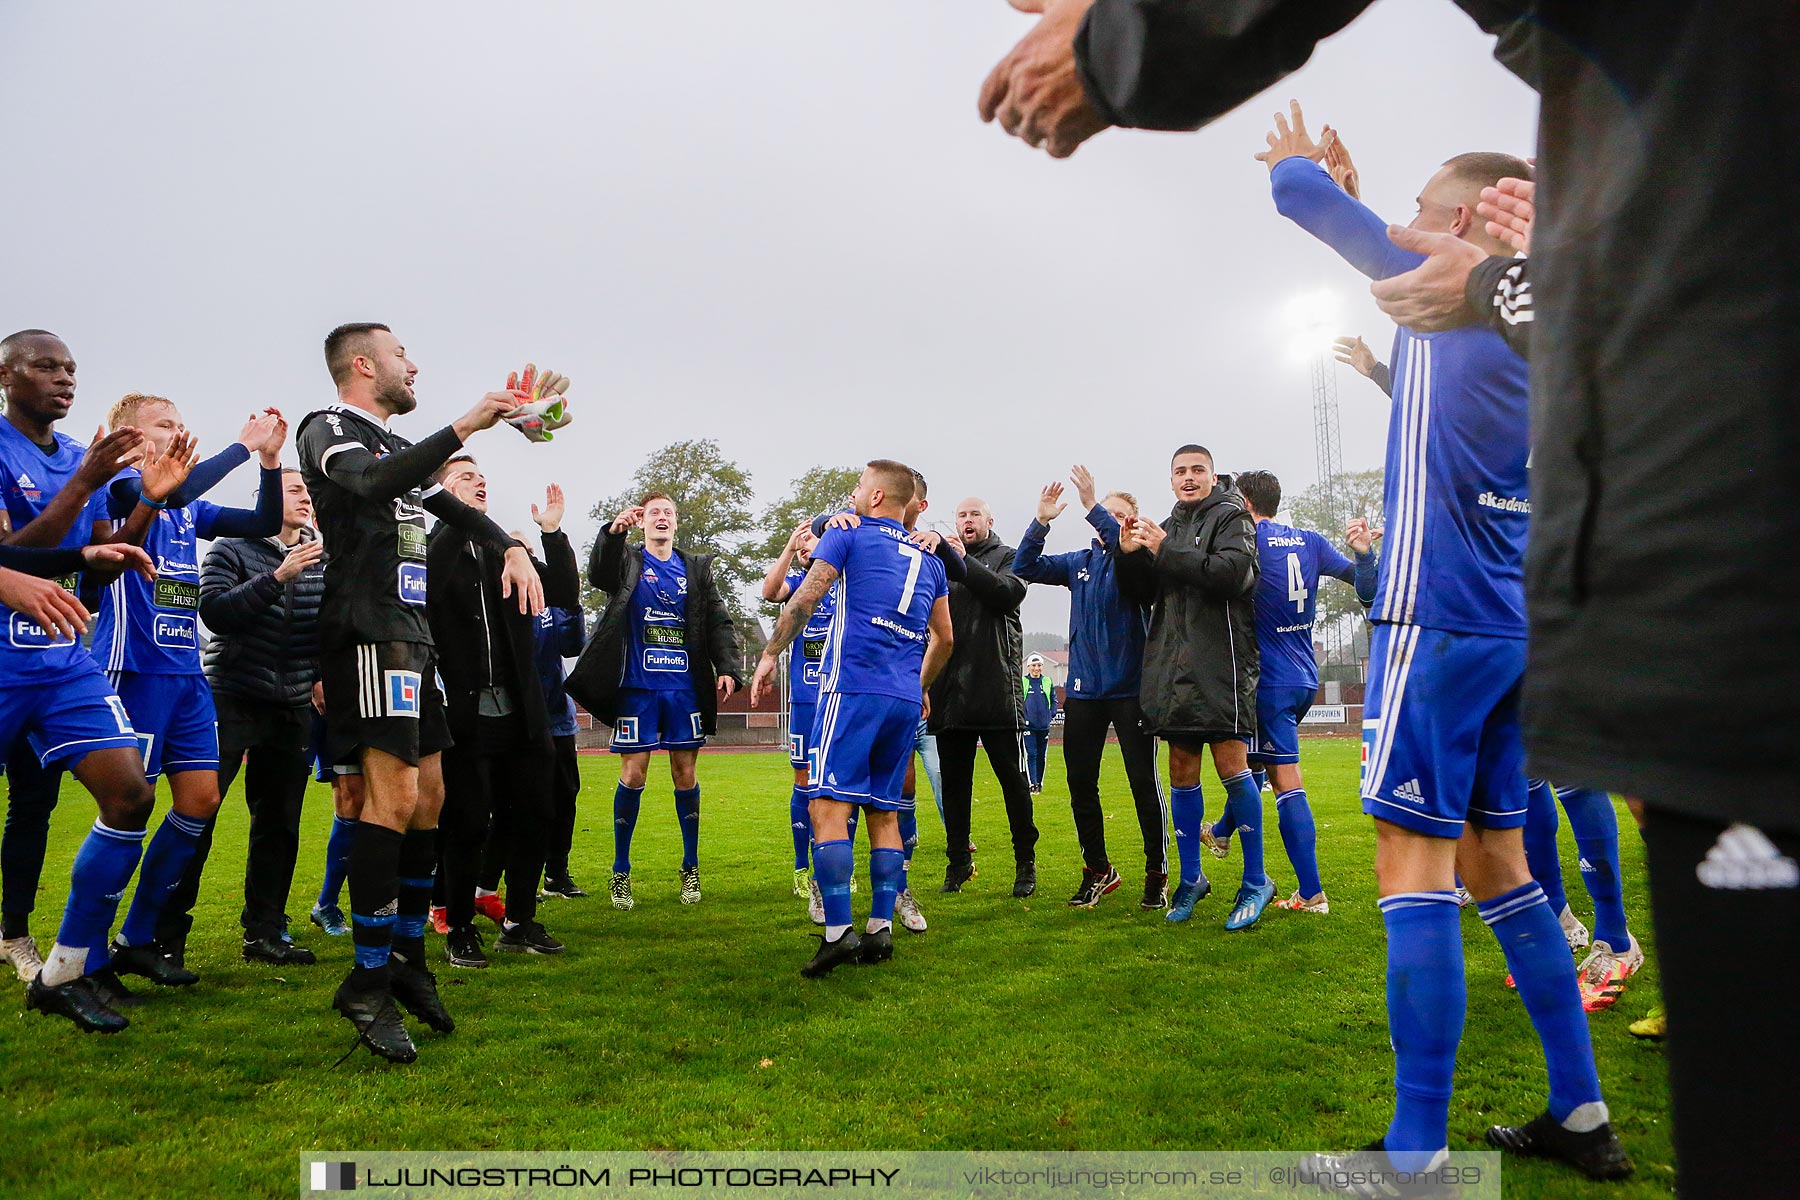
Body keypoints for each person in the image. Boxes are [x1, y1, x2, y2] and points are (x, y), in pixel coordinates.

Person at [1249, 108, 1626, 1179]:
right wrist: (1371, 195)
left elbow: (1301, 202)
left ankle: (1414, 1156)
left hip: (1435, 619)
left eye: (1423, 211)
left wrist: (1292, 166)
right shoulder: (1525, 326)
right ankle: (1582, 1114)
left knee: (1412, 866)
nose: (1408, 227)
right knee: (1503, 865)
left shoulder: (1456, 291)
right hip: (1514, 627)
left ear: (1461, 219)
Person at [296, 321, 542, 1064]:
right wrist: (467, 419)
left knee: (430, 795)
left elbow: (453, 508)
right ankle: (367, 981)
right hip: (365, 634)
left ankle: (408, 960)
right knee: (392, 800)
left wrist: (514, 545)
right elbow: (369, 485)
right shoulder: (328, 428)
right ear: (365, 365)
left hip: (414, 638)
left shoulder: (401, 449)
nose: (414, 365)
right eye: (402, 355)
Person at [0, 328, 200, 1031]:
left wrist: (145, 502)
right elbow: (13, 552)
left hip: (58, 660)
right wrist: (85, 490)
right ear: (6, 374)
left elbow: (97, 567)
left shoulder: (80, 461)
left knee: (129, 792)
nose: (63, 378)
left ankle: (64, 969)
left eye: (71, 368)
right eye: (45, 366)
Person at [87, 392, 292, 988]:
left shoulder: (187, 511)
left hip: (185, 676)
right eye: (163, 424)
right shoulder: (124, 491)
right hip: (135, 672)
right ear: (129, 438)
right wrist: (242, 444)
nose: (177, 431)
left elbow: (260, 523)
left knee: (200, 802)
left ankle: (138, 936)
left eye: (180, 422)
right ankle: (88, 951)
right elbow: (170, 490)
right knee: (126, 810)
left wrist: (271, 464)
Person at [748, 460, 953, 976]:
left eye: (860, 487)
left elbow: (804, 597)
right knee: (885, 810)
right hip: (904, 697)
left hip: (852, 688)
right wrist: (920, 685)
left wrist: (771, 653)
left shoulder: (851, 536)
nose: (853, 495)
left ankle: (838, 932)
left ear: (878, 495)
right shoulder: (931, 560)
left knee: (827, 805)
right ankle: (880, 928)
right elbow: (945, 638)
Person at [158, 469, 326, 966]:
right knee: (198, 817)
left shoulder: (322, 556)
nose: (304, 499)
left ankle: (265, 932)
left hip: (292, 703)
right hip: (231, 695)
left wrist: (319, 674)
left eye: (307, 493)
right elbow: (216, 614)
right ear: (267, 498)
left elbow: (326, 628)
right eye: (295, 490)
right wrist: (278, 576)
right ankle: (165, 935)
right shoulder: (231, 547)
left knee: (279, 824)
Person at [427, 457, 579, 968]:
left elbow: (561, 594)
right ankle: (459, 926)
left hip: (521, 711)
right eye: (465, 478)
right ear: (442, 493)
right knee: (467, 822)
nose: (479, 481)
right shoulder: (435, 548)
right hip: (465, 715)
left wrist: (551, 536)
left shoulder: (505, 553)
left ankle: (519, 920)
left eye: (481, 477)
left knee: (534, 813)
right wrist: (456, 517)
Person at [1115, 445, 1268, 930]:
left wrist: (1163, 549)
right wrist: (1130, 556)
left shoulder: (1232, 517)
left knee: (1230, 764)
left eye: (1196, 470)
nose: (1187, 478)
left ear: (1212, 475)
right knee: (1181, 768)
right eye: (1179, 471)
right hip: (1173, 666)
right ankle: (1192, 878)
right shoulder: (1170, 523)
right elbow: (1142, 593)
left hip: (1221, 664)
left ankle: (1256, 879)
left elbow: (1231, 576)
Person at [568, 492, 743, 912]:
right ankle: (621, 871)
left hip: (684, 688)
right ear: (642, 523)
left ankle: (690, 866)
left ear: (676, 523)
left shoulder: (696, 570)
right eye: (653, 513)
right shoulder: (628, 561)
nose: (661, 518)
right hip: (638, 687)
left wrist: (729, 667)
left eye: (668, 513)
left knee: (685, 773)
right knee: (634, 773)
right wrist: (612, 534)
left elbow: (719, 620)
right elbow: (600, 573)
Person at [1012, 467, 1168, 910]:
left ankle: (1156, 871)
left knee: (1142, 781)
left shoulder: (1139, 562)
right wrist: (1041, 522)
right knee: (1081, 781)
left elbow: (1123, 547)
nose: (1113, 523)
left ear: (1133, 524)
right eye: (1109, 515)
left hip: (1131, 690)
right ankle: (1099, 869)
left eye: (1122, 517)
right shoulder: (1078, 562)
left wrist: (1092, 506)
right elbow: (1024, 566)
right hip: (1083, 692)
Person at [1225, 470, 1377, 915]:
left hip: (1266, 678)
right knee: (1254, 763)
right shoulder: (1309, 541)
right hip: (1303, 676)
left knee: (1284, 780)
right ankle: (1219, 831)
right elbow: (1366, 585)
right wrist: (1365, 556)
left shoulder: (1246, 545)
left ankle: (1312, 894)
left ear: (1246, 502)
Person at [928, 496, 1037, 898]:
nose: (968, 520)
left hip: (997, 692)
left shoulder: (1008, 557)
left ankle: (1025, 863)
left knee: (1014, 782)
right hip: (950, 691)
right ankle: (958, 862)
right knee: (954, 786)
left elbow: (1004, 594)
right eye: (962, 515)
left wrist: (960, 559)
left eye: (975, 514)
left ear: (989, 520)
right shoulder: (938, 560)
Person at [760, 521, 838, 910]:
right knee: (803, 781)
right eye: (802, 538)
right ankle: (800, 866)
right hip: (806, 703)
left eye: (811, 537)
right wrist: (790, 548)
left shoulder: (842, 583)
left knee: (841, 782)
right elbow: (770, 591)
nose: (806, 542)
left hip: (840, 699)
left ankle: (842, 866)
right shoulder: (796, 582)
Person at [531, 559, 588, 902]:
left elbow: (573, 645)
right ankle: (517, 873)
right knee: (522, 801)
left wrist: (570, 604)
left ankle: (556, 873)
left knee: (565, 796)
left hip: (558, 718)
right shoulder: (499, 598)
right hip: (519, 717)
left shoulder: (551, 606)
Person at [1020, 655, 1057, 794]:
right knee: (1032, 754)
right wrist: (1023, 718)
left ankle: (1040, 782)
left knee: (1042, 755)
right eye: (1034, 666)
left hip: (1044, 725)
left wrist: (1050, 714)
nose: (1036, 668)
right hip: (1028, 726)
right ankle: (1032, 784)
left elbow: (1053, 700)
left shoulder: (1047, 681)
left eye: (1039, 665)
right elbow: (1018, 701)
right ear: (1029, 667)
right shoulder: (1023, 681)